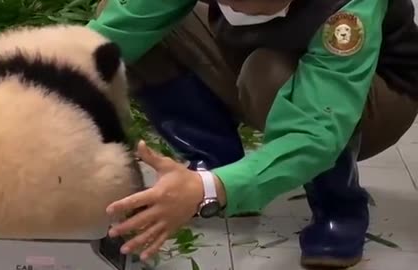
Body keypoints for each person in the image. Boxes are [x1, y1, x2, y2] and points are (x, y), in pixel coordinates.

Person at [87, 0, 418, 268]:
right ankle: (216, 160)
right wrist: (51, 80)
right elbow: (119, 28)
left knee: (268, 74)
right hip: (260, 55)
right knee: (116, 33)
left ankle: (339, 206)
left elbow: (318, 132)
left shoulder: (349, 8)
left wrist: (210, 189)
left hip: (366, 97)